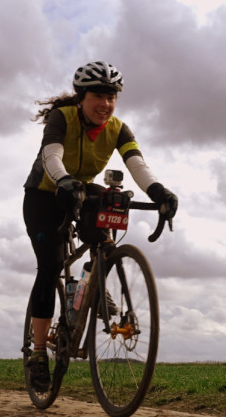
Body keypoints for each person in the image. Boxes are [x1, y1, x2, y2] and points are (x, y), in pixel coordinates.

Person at [22, 61, 177, 392]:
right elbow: (52, 155)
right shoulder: (62, 117)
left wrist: (158, 192)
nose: (105, 104)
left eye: (112, 97)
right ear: (81, 96)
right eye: (98, 96)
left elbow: (137, 164)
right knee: (49, 267)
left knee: (110, 208)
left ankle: (97, 275)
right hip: (45, 194)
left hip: (79, 188)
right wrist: (63, 180)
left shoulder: (118, 129)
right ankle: (37, 354)